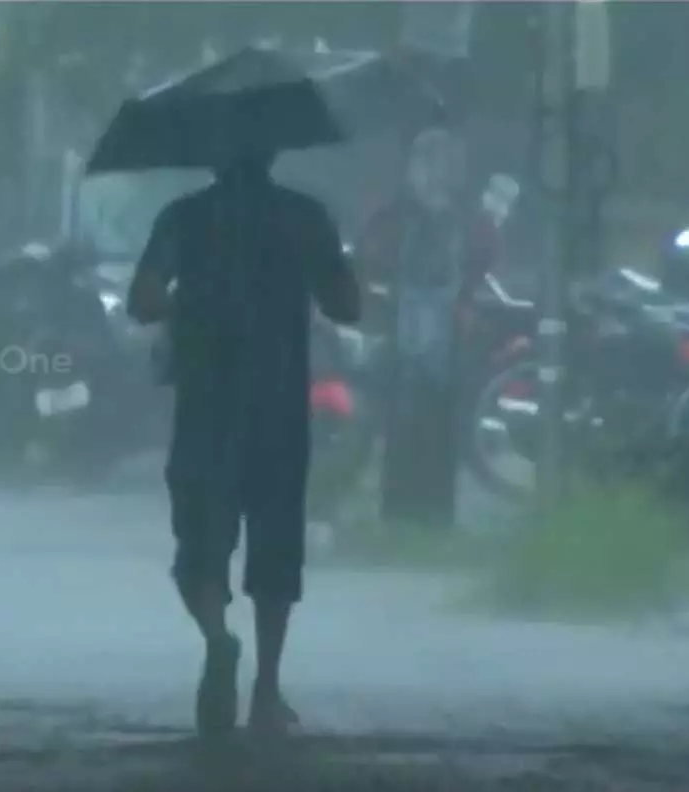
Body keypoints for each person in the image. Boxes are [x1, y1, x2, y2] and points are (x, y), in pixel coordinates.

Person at [127, 151, 361, 738]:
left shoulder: (183, 218)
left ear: (211, 155)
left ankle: (218, 640)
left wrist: (189, 305)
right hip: (280, 408)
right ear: (273, 151)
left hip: (206, 408)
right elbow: (347, 305)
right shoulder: (305, 217)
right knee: (276, 549)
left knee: (199, 543)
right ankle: (267, 690)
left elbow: (141, 301)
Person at [359, 127, 494, 528]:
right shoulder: (398, 216)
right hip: (404, 333)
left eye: (444, 164)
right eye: (427, 163)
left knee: (437, 420)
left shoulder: (466, 219)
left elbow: (482, 258)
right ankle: (401, 512)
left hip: (445, 337)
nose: (436, 173)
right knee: (404, 419)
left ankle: (433, 515)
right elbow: (372, 256)